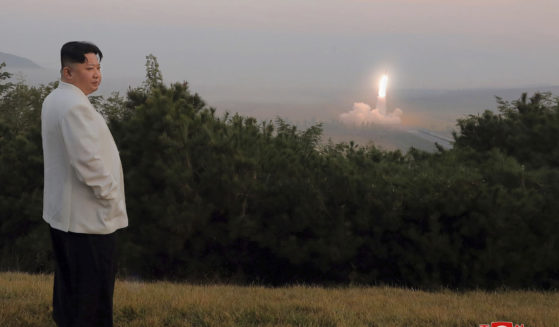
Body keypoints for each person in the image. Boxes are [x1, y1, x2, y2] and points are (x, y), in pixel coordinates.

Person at [41, 41, 128, 327]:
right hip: (87, 218)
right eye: (89, 68)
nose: (96, 74)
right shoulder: (75, 106)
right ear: (68, 71)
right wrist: (111, 194)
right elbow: (87, 162)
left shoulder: (54, 99)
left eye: (98, 67)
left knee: (71, 287)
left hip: (64, 215)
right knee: (94, 293)